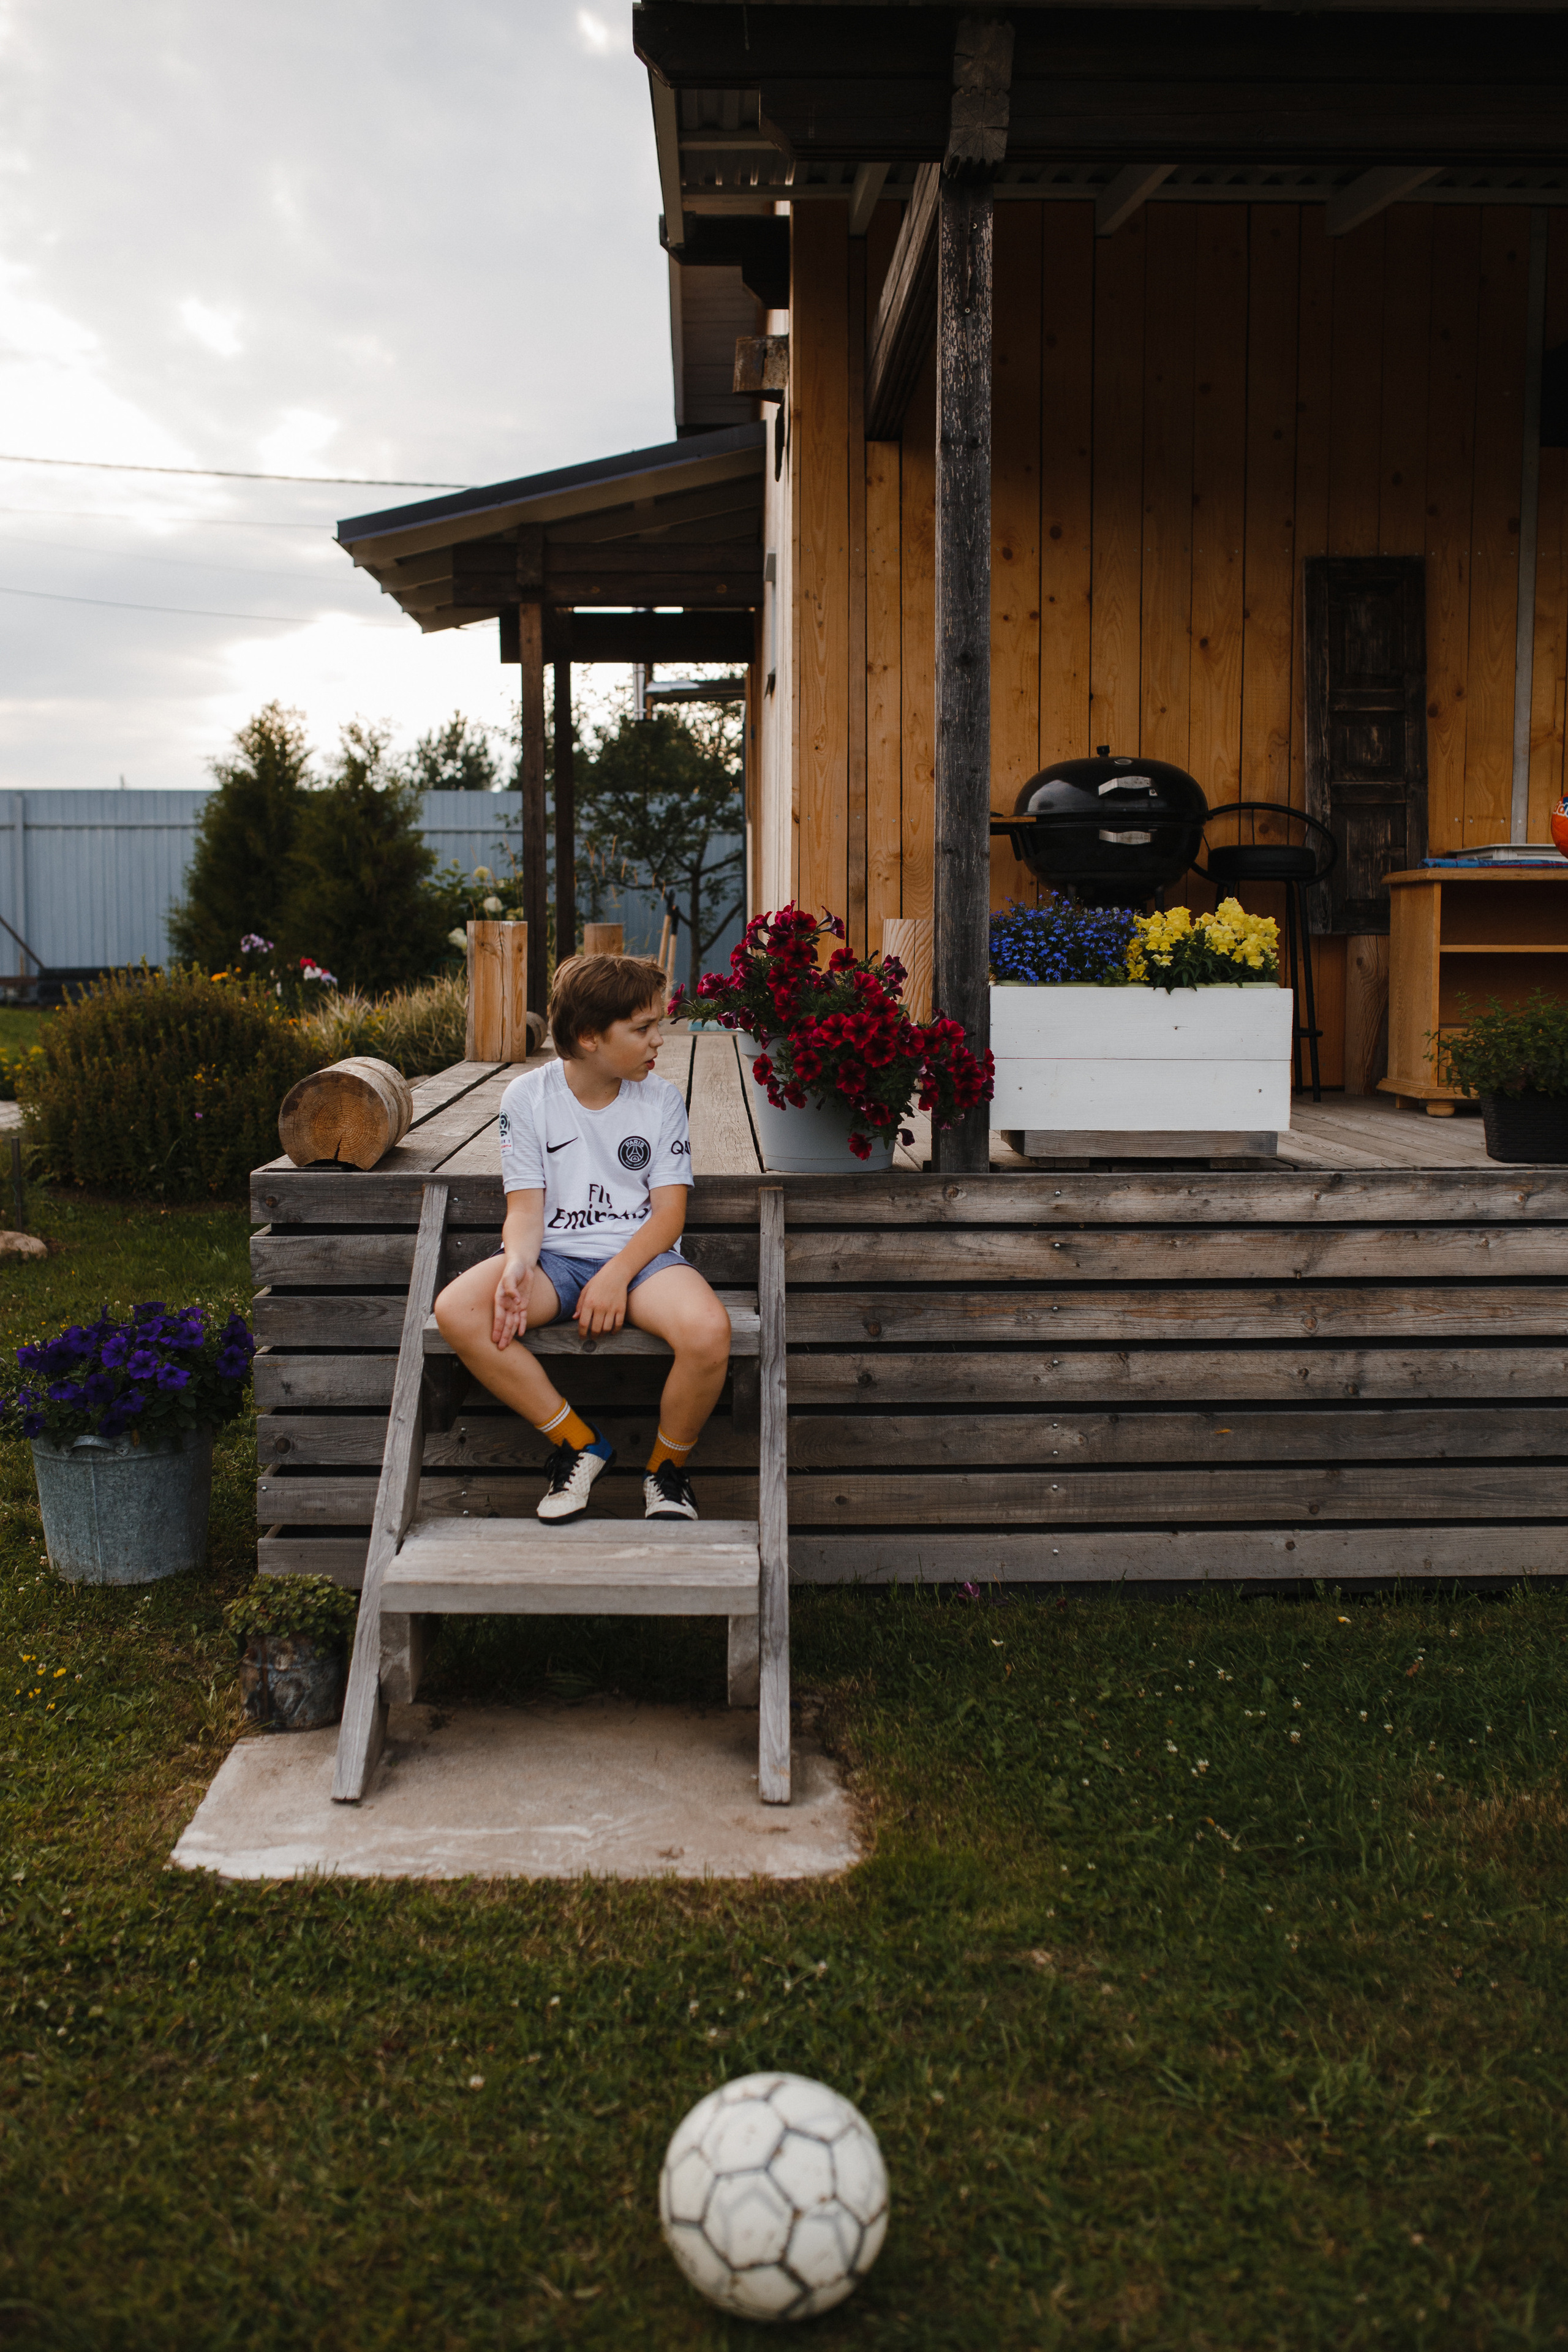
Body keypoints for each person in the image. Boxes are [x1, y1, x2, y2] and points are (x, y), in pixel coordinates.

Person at [432, 952, 732, 1524]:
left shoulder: (661, 1100)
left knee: (708, 1331)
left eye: (657, 1027)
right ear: (590, 1037)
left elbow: (669, 1215)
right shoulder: (527, 1098)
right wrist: (517, 1265)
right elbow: (525, 1208)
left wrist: (616, 1275)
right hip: (554, 1261)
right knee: (460, 1309)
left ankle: (666, 1473)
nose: (657, 1042)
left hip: (643, 1262)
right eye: (642, 1029)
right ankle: (579, 1444)